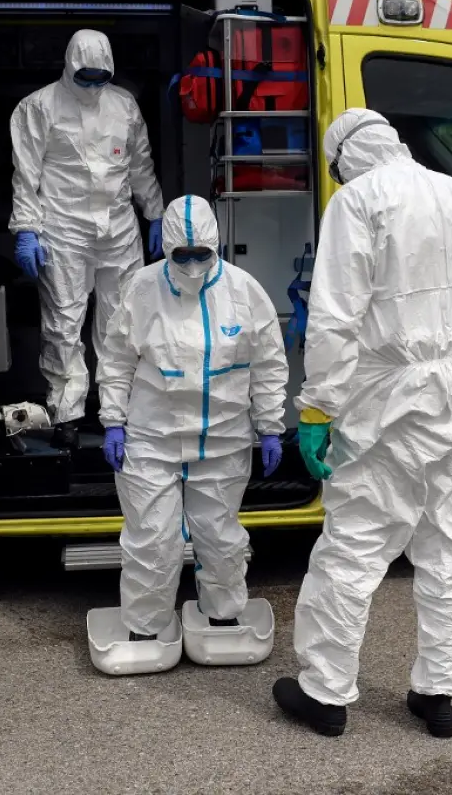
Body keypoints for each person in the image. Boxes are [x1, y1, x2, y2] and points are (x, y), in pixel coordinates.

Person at [271, 109, 452, 738]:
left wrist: (317, 408)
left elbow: (335, 316)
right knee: (446, 551)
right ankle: (439, 694)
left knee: (353, 547)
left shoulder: (357, 202)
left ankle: (326, 693)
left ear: (344, 160)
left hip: (386, 406)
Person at [98, 195, 288, 642]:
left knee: (221, 539)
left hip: (222, 440)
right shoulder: (142, 289)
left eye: (200, 254)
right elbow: (117, 359)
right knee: (152, 541)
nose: (191, 265)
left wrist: (272, 426)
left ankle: (222, 615)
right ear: (165, 249)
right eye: (181, 255)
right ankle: (145, 629)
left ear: (215, 246)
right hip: (150, 438)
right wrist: (112, 420)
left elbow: (269, 364)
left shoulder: (243, 292)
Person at [9, 28, 166, 449]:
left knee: (122, 323)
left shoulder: (124, 105)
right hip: (63, 228)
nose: (94, 85)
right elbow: (26, 175)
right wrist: (27, 228)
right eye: (87, 76)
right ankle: (67, 413)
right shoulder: (38, 107)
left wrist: (155, 214)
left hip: (118, 228)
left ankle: (120, 411)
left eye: (102, 76)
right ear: (70, 65)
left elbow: (140, 165)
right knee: (63, 323)